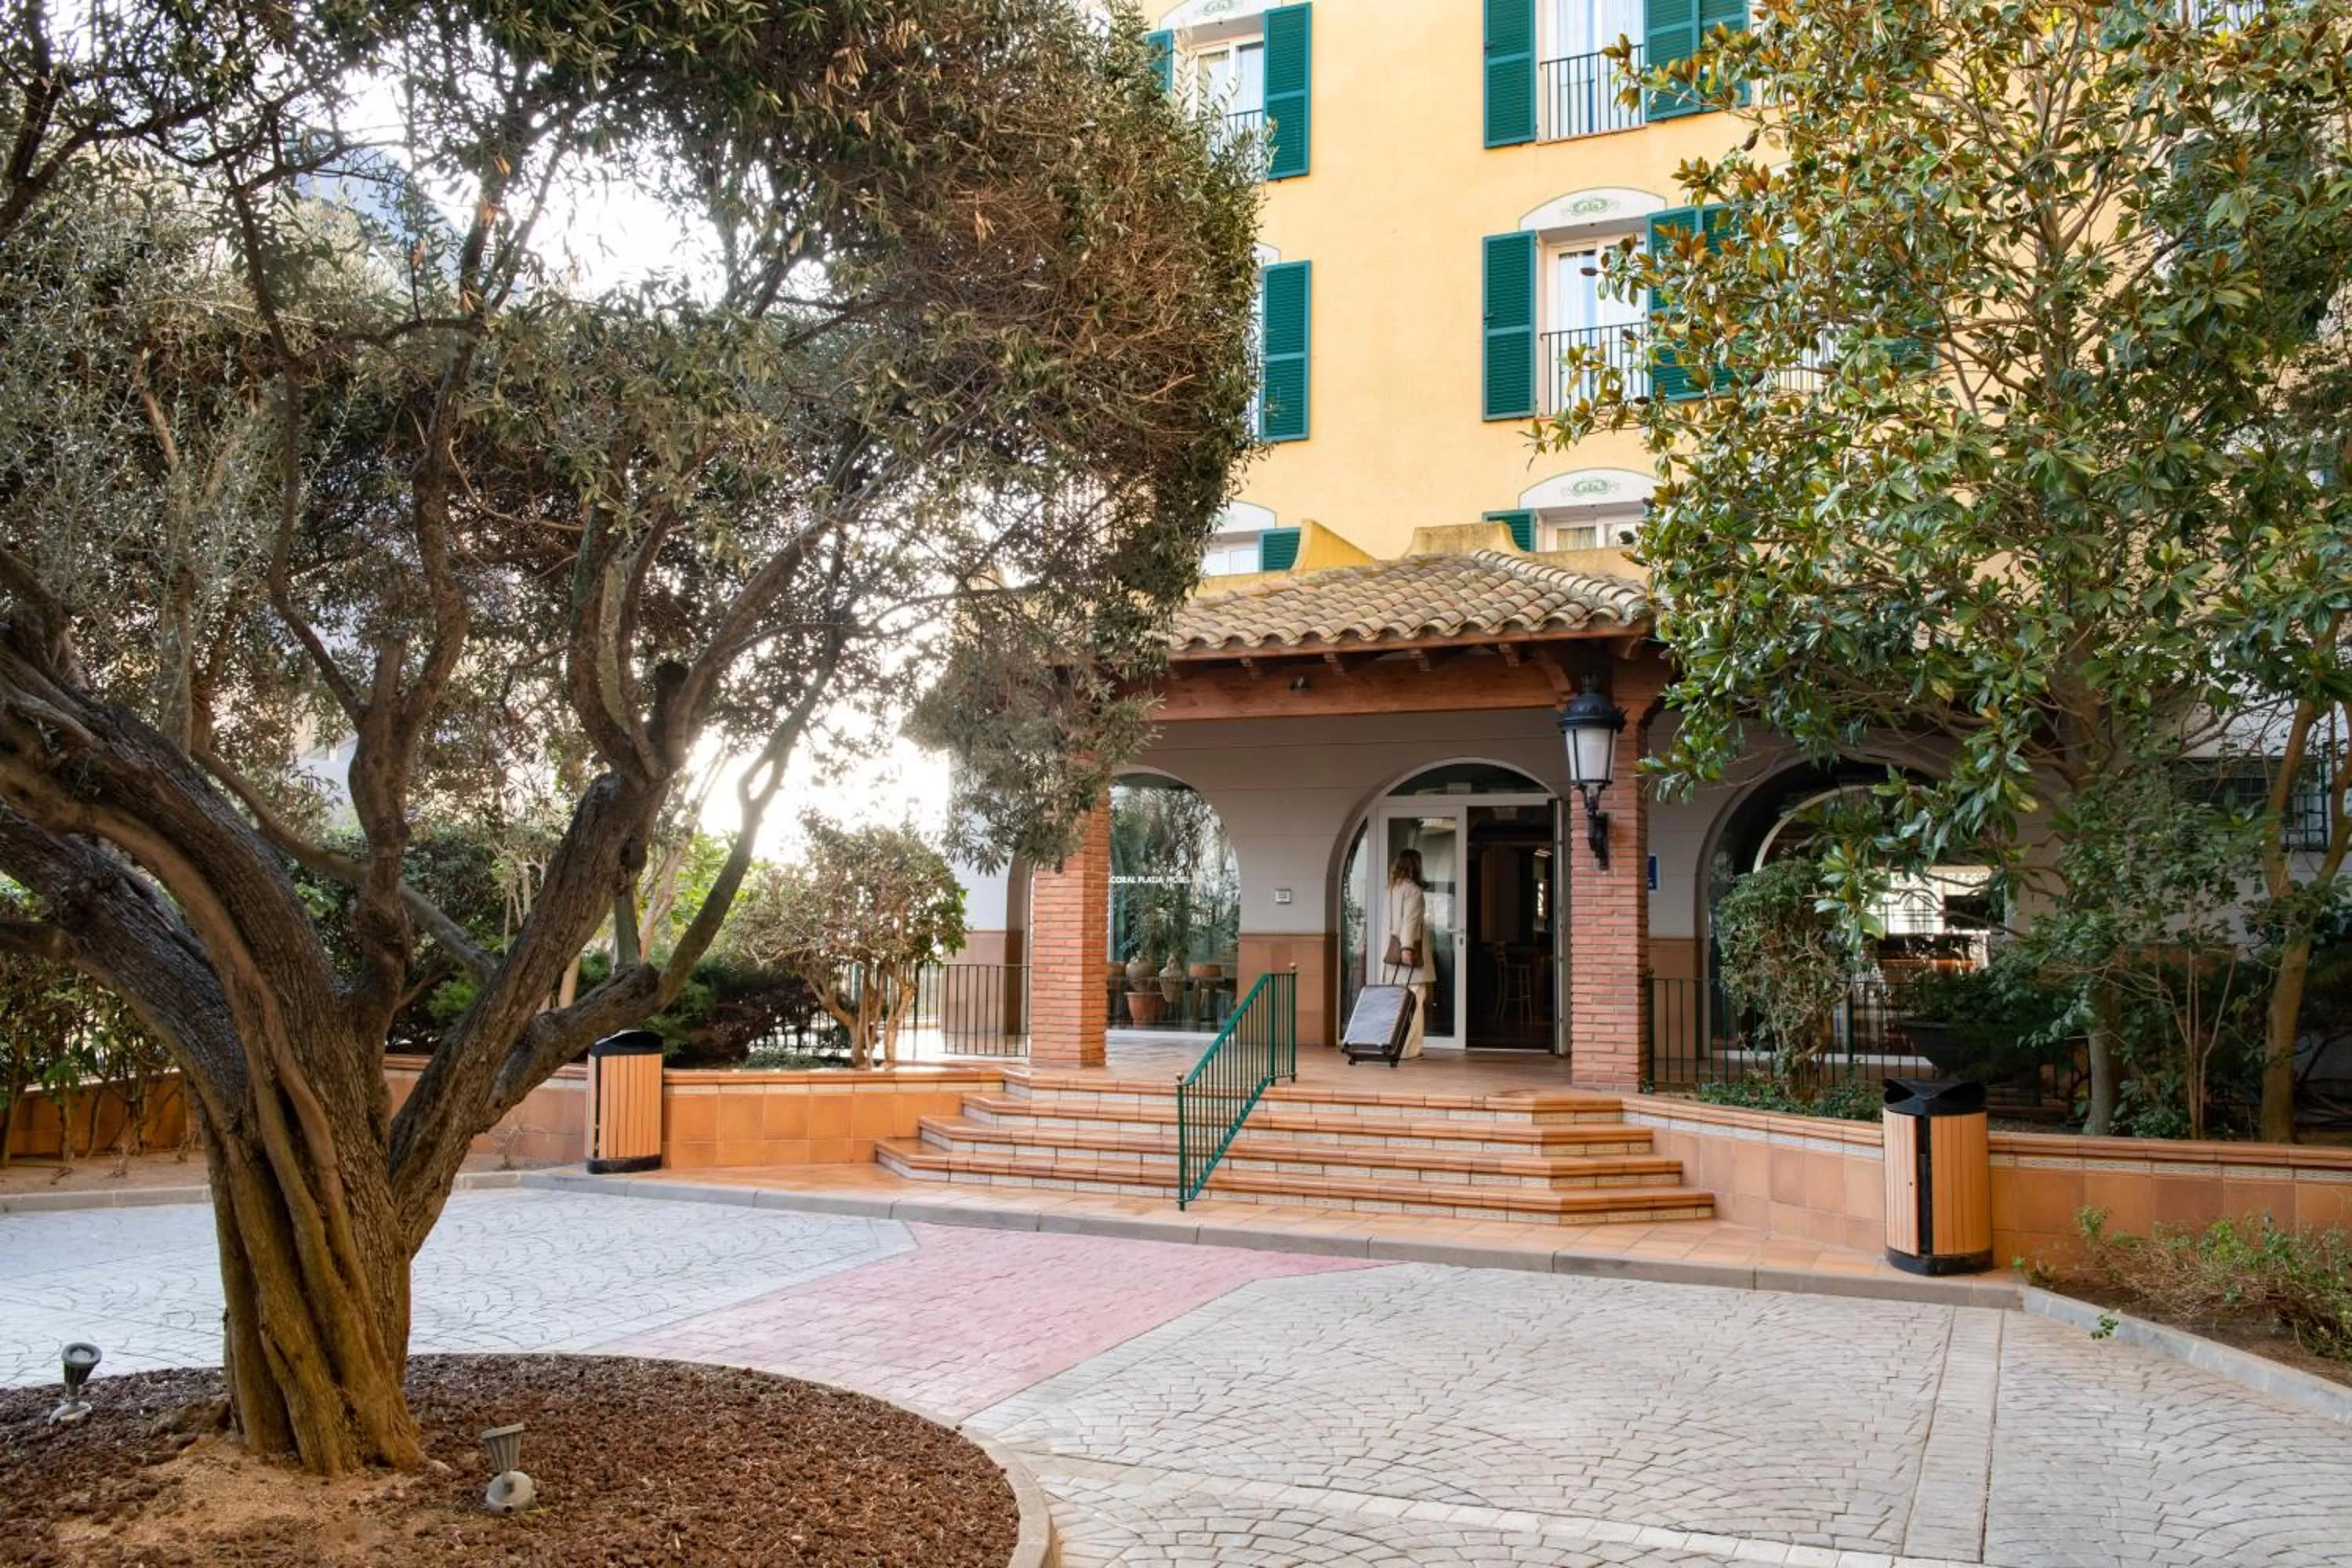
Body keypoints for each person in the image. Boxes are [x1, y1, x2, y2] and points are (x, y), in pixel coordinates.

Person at [1384, 848, 1436, 1058]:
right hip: (1408, 958)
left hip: (1390, 956)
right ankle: (1409, 1049)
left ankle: (1392, 1044)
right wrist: (1407, 949)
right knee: (1414, 1001)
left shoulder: (1391, 889)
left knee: (1396, 1003)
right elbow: (1410, 923)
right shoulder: (1413, 891)